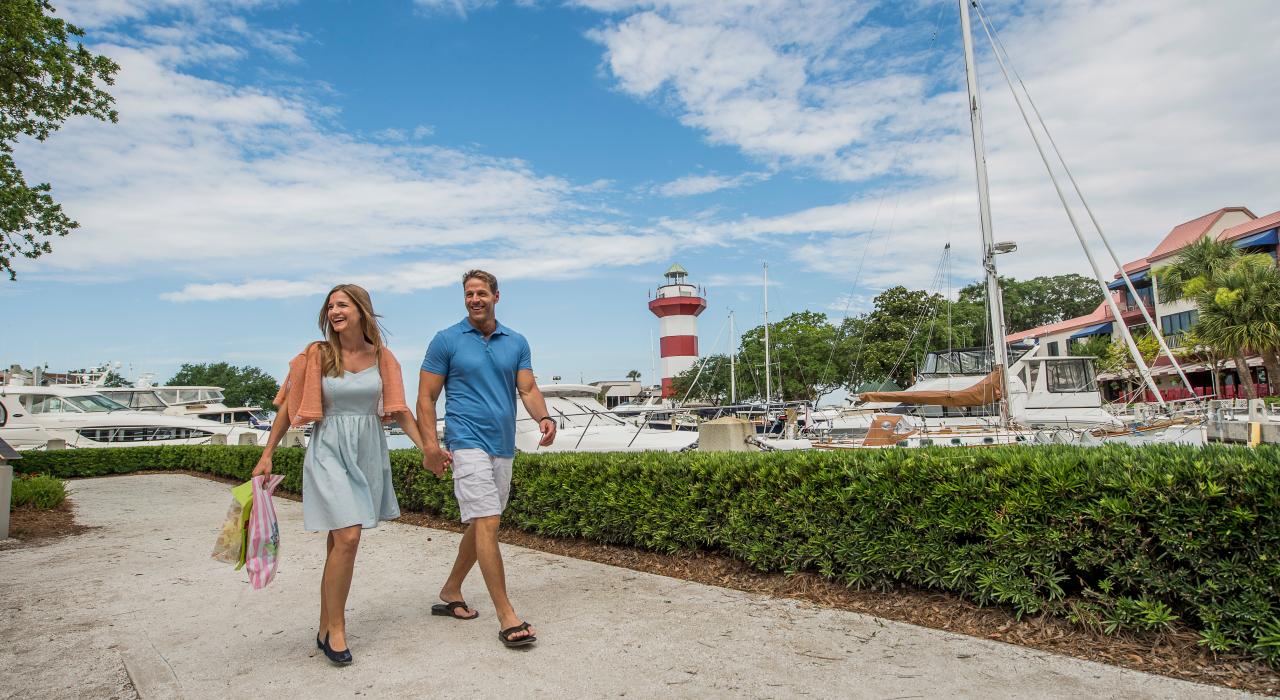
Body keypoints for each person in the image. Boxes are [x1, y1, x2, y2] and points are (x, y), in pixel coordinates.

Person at [252, 284, 426, 665]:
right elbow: (288, 408)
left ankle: (323, 626)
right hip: (329, 448)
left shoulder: (384, 358)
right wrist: (268, 454)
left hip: (367, 451)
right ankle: (338, 629)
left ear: (362, 310)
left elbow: (398, 410)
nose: (334, 311)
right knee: (347, 536)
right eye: (330, 306)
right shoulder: (317, 355)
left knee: (339, 543)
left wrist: (427, 448)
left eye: (342, 304)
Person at [417, 269, 556, 648]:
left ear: (496, 296)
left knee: (482, 524)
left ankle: (451, 590)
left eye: (481, 293)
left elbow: (527, 388)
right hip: (466, 442)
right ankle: (507, 616)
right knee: (489, 522)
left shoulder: (517, 341)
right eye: (468, 294)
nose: (474, 299)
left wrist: (542, 416)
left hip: (502, 445)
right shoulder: (446, 340)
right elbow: (426, 398)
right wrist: (430, 445)